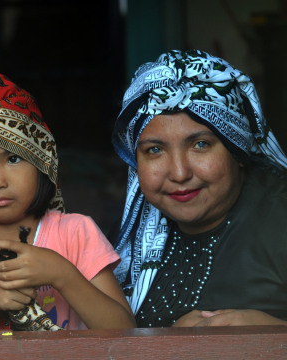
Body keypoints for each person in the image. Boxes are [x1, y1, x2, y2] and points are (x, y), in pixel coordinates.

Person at [0, 72, 135, 330]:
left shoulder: (76, 233)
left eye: (12, 159)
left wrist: (62, 274)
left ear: (42, 160)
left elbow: (124, 331)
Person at [112, 49, 287, 327]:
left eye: (200, 144)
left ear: (236, 149)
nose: (179, 173)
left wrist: (273, 332)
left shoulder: (279, 219)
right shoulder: (127, 238)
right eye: (155, 150)